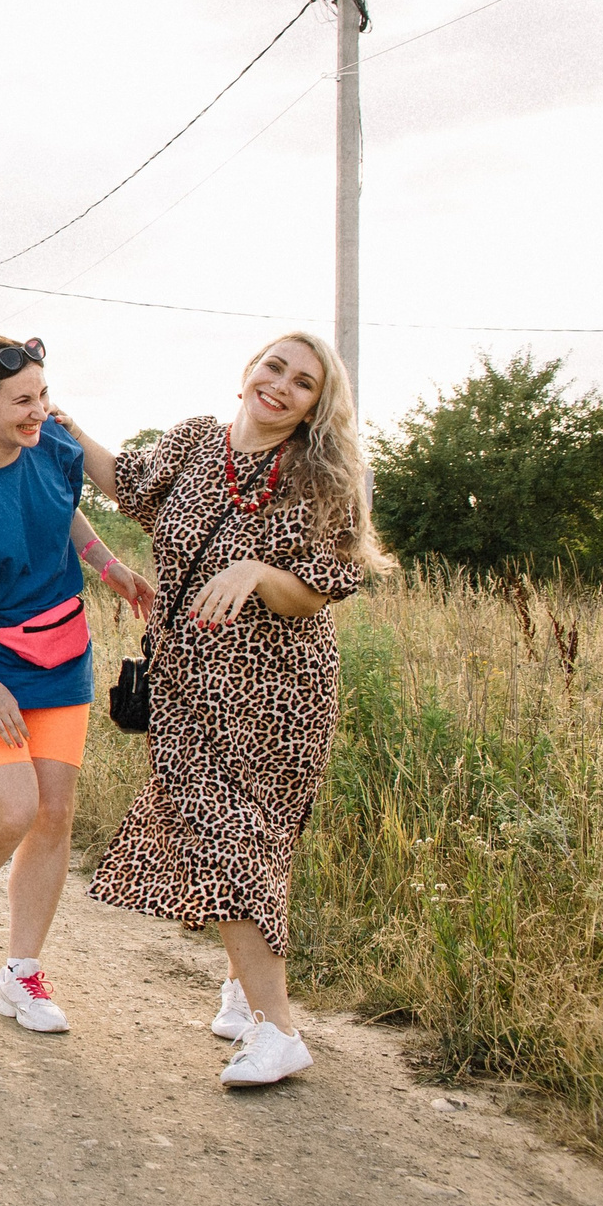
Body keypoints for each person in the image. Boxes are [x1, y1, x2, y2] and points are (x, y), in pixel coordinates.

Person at [56, 332, 385, 1086]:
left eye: (303, 383)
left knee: (246, 834)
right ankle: (245, 990)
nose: (281, 386)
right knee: (227, 832)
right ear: (248, 372)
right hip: (187, 681)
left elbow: (319, 588)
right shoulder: (196, 442)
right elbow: (124, 481)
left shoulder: (322, 476)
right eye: (275, 367)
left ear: (314, 407)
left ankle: (278, 1031)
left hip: (279, 689)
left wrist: (259, 571)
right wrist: (64, 426)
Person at [0, 336, 149, 1032]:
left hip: (59, 649)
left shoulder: (52, 446)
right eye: (22, 401)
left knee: (55, 813)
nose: (40, 410)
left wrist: (109, 567)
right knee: (12, 808)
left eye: (42, 395)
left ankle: (21, 974)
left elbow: (60, 508)